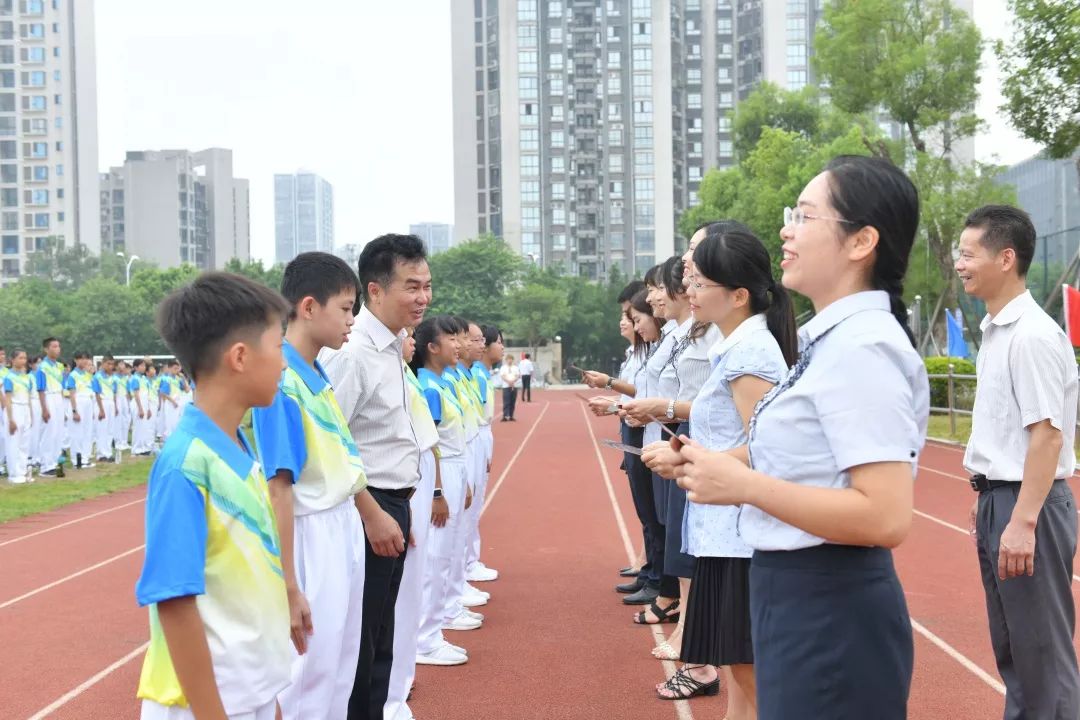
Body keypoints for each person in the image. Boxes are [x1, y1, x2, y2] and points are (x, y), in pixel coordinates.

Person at [673, 155, 928, 719]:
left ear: (861, 242)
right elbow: (797, 454)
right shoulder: (832, 340)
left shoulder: (865, 347)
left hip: (829, 602)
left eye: (806, 217)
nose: (786, 229)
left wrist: (743, 484)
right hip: (793, 591)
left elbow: (886, 517)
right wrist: (716, 465)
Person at [645, 224, 797, 713]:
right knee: (741, 678)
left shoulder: (751, 352)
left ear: (737, 295)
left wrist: (687, 458)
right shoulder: (734, 346)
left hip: (740, 537)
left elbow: (769, 447)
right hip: (723, 532)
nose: (688, 290)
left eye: (700, 282)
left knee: (751, 678)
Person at [134, 272, 292, 720]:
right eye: (279, 346)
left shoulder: (238, 446)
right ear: (240, 357)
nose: (284, 364)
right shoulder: (186, 465)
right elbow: (174, 599)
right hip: (204, 702)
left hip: (248, 690)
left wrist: (268, 694)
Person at [956, 205, 1080, 719]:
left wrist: (1022, 520)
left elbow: (1048, 436)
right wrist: (987, 496)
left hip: (1026, 504)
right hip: (1000, 499)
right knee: (1014, 649)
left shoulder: (1031, 335)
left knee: (1042, 653)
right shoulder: (996, 330)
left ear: (1006, 258)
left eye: (968, 253)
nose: (959, 264)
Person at [247, 252, 370, 719]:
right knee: (310, 670)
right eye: (345, 308)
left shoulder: (315, 373)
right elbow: (280, 486)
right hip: (310, 532)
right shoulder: (280, 380)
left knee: (340, 661)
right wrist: (289, 582)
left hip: (339, 525)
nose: (352, 320)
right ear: (309, 307)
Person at [319, 233, 431, 720]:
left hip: (393, 501)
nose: (423, 297)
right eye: (411, 286)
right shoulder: (353, 354)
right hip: (368, 506)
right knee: (360, 640)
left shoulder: (392, 348)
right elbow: (329, 443)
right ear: (376, 290)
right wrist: (372, 514)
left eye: (427, 285)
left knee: (380, 631)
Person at [386, 325, 451, 720]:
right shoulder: (385, 369)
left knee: (415, 575)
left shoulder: (404, 374)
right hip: (392, 488)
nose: (409, 340)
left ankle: (398, 680)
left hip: (412, 479)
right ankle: (393, 683)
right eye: (404, 334)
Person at [412, 316, 476, 665]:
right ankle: (425, 638)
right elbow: (430, 445)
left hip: (453, 467)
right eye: (450, 339)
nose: (458, 344)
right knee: (435, 556)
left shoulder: (439, 383)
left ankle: (434, 628)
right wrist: (437, 491)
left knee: (447, 551)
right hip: (440, 472)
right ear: (431, 348)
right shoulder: (428, 388)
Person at [464, 324, 504, 584]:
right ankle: (467, 563)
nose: (502, 347)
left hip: (479, 435)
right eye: (498, 342)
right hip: (472, 436)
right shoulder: (476, 374)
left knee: (475, 502)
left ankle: (470, 561)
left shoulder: (482, 373)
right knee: (469, 505)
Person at [35, 337, 65, 477]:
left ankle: (55, 462)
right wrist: (44, 408)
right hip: (48, 396)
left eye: (58, 346)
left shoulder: (59, 366)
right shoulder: (42, 367)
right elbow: (40, 389)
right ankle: (45, 465)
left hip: (59, 397)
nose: (57, 349)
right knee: (49, 432)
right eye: (54, 346)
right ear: (46, 349)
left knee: (59, 432)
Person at [4, 349, 34, 484]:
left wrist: (31, 415)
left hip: (25, 409)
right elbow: (8, 399)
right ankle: (13, 473)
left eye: (25, 358)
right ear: (13, 360)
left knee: (24, 443)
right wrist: (10, 419)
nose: (23, 361)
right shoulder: (8, 378)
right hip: (14, 408)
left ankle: (22, 471)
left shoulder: (27, 377)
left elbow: (29, 398)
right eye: (20, 358)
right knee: (13, 442)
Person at [93, 356, 117, 463]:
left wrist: (115, 406)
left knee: (110, 429)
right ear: (102, 364)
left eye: (112, 364)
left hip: (111, 402)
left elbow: (114, 393)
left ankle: (108, 452)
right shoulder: (97, 377)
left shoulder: (113, 377)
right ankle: (101, 454)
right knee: (102, 429)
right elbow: (97, 394)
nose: (110, 366)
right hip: (102, 403)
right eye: (108, 364)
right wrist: (101, 409)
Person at [129, 359, 154, 456]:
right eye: (141, 366)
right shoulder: (135, 378)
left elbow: (147, 394)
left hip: (145, 403)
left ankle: (143, 447)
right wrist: (140, 408)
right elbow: (136, 394)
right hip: (137, 403)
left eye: (144, 366)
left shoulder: (144, 379)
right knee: (138, 426)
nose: (143, 368)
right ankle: (136, 449)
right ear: (135, 367)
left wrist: (148, 408)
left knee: (144, 427)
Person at [499, 355, 520, 421]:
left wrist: (513, 381)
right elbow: (502, 376)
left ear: (513, 360)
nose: (509, 360)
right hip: (506, 386)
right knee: (506, 401)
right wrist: (509, 382)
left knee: (512, 402)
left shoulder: (515, 368)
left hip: (514, 386)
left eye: (511, 359)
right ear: (506, 360)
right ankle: (505, 416)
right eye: (508, 359)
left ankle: (511, 416)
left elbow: (517, 376)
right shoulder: (503, 368)